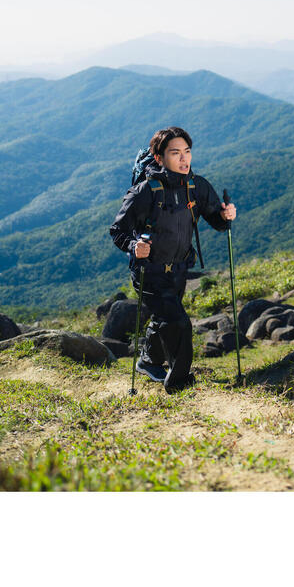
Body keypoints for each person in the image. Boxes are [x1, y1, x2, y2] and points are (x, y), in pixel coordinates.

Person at [109, 126, 236, 393]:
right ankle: (179, 382)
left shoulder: (196, 186)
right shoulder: (145, 191)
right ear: (159, 158)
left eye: (187, 151)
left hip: (179, 269)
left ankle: (148, 361)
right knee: (177, 321)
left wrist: (225, 217)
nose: (183, 158)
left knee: (164, 317)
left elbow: (215, 218)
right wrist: (134, 246)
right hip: (150, 272)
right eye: (175, 152)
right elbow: (118, 230)